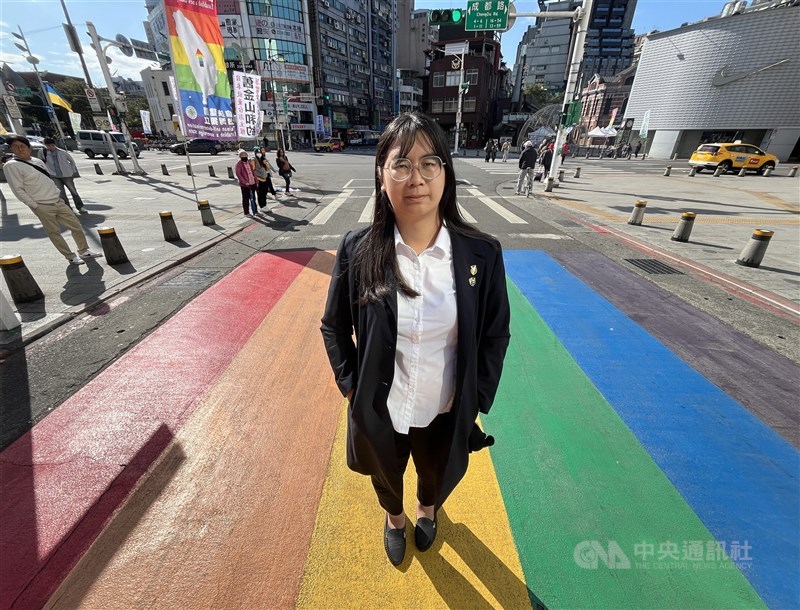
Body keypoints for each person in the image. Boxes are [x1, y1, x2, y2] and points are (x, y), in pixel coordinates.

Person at [320, 111, 511, 567]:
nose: (417, 178)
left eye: (430, 164)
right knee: (386, 473)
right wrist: (352, 385)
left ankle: (427, 510)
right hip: (382, 405)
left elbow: (495, 332)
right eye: (401, 164)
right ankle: (395, 519)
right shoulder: (358, 248)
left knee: (436, 471)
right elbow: (333, 326)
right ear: (381, 175)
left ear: (446, 172)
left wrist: (477, 397)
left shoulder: (481, 254)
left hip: (445, 406)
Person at [3, 135, 101, 265]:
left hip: (57, 200)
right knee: (54, 232)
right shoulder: (11, 166)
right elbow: (18, 189)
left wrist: (57, 193)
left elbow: (47, 179)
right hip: (41, 204)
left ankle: (83, 250)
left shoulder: (37, 161)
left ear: (29, 147)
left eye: (22, 146)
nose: (20, 149)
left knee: (76, 225)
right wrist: (34, 205)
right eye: (15, 147)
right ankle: (70, 256)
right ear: (10, 149)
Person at [38, 137, 86, 214]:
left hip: (67, 175)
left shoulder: (62, 152)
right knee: (61, 193)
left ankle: (80, 206)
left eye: (51, 145)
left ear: (54, 144)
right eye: (47, 145)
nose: (49, 147)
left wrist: (72, 171)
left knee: (73, 191)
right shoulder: (43, 152)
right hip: (54, 175)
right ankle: (68, 209)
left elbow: (71, 161)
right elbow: (40, 162)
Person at [235, 149, 258, 217]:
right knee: (246, 198)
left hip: (252, 182)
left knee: (253, 197)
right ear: (240, 156)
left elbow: (253, 172)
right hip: (245, 185)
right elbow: (239, 174)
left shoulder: (249, 163)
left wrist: (256, 181)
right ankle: (246, 212)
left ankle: (255, 211)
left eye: (245, 155)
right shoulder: (239, 164)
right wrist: (245, 182)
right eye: (242, 155)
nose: (244, 156)